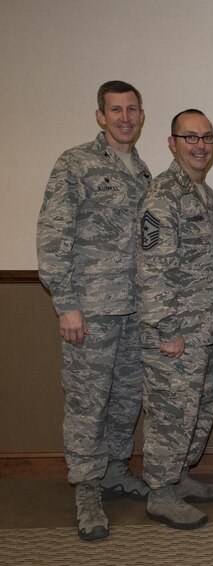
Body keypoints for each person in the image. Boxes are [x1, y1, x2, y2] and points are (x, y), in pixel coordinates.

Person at [37, 80, 151, 541]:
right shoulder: (76, 163)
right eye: (115, 110)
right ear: (100, 116)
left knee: (126, 399)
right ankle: (86, 490)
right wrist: (66, 304)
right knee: (87, 404)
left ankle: (115, 470)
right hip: (91, 312)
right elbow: (52, 235)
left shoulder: (144, 173)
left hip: (134, 311)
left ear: (142, 116)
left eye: (132, 109)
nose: (125, 117)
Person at [136, 109, 213, 529]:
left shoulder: (205, 195)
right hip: (175, 335)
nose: (200, 144)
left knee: (197, 410)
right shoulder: (163, 196)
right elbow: (153, 270)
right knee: (171, 412)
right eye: (190, 137)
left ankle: (179, 476)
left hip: (204, 331)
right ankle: (160, 491)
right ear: (172, 143)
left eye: (207, 137)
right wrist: (166, 332)